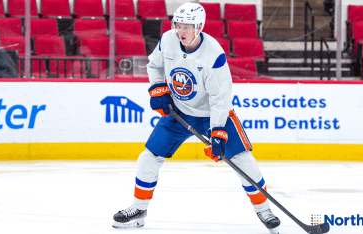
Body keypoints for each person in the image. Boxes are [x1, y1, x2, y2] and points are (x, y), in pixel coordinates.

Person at [112, 2, 280, 234]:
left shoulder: (213, 55)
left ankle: (264, 210)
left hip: (213, 114)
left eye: (188, 26)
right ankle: (139, 209)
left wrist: (217, 133)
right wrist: (158, 88)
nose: (181, 30)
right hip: (180, 112)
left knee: (243, 160)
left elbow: (220, 99)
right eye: (178, 24)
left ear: (199, 26)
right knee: (148, 158)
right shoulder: (168, 40)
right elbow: (154, 66)